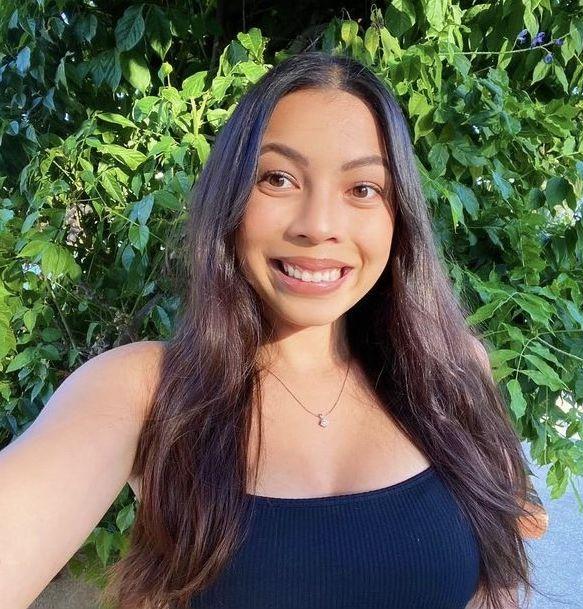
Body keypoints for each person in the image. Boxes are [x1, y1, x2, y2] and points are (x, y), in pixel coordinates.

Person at [0, 50, 547, 609]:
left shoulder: (452, 370)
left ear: (399, 214)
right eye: (278, 179)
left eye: (363, 189)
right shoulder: (146, 391)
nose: (319, 226)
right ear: (231, 200)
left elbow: (496, 584)